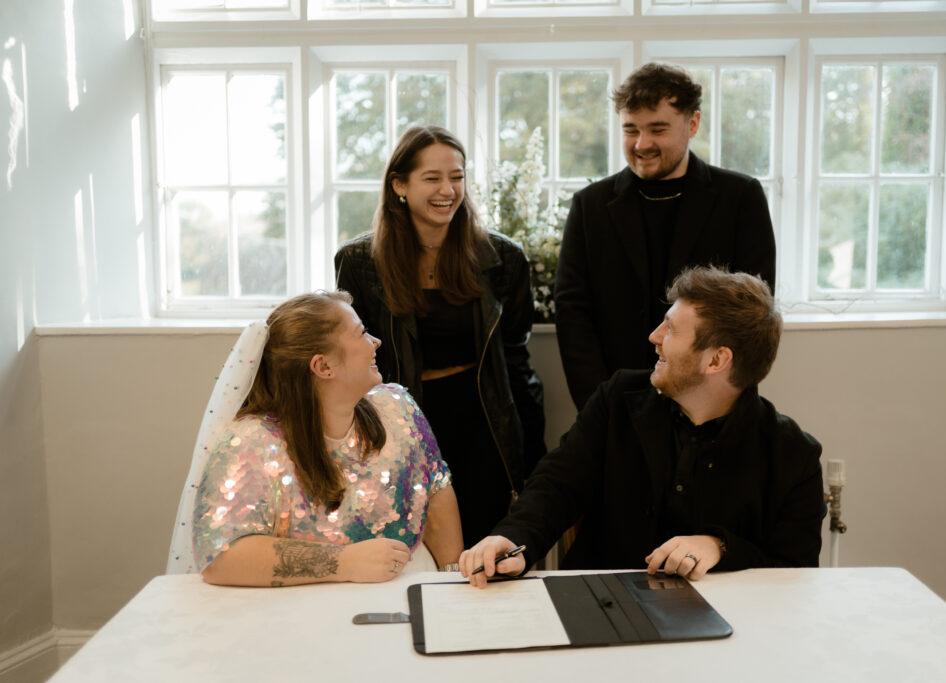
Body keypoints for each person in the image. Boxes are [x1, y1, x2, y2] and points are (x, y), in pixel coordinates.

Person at [460, 266, 824, 587]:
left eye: (670, 329)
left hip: (722, 638)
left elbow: (795, 574)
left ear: (716, 359)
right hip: (600, 606)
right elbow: (558, 483)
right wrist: (514, 538)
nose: (654, 336)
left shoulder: (794, 456)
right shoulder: (619, 397)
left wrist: (720, 546)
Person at [335, 125, 546, 547]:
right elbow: (354, 364)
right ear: (399, 185)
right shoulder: (359, 261)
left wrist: (533, 453)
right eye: (432, 178)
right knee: (411, 549)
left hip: (483, 421)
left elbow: (516, 362)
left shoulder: (503, 259)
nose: (447, 190)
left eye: (457, 177)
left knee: (485, 546)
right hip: (401, 424)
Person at [184, 291, 463, 587]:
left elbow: (435, 492)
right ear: (323, 366)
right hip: (309, 601)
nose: (375, 342)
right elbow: (220, 556)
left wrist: (452, 582)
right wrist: (344, 563)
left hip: (413, 583)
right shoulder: (252, 442)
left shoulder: (397, 407)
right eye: (362, 333)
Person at [555, 62, 776, 410]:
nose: (642, 144)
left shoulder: (741, 197)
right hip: (615, 401)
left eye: (657, 129)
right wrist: (598, 402)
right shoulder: (589, 206)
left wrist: (716, 397)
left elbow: (753, 314)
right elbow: (572, 313)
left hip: (712, 400)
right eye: (631, 130)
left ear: (692, 124)